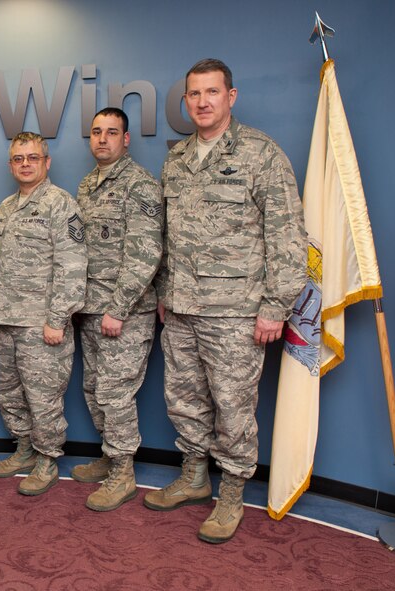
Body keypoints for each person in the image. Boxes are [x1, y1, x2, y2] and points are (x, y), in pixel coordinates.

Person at [145, 59, 306, 543]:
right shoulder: (176, 159)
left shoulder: (262, 154)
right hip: (181, 309)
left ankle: (231, 493)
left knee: (233, 407)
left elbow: (288, 236)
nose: (202, 101)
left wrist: (276, 305)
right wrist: (163, 293)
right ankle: (195, 478)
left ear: (230, 97)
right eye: (193, 94)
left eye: (211, 92)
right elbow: (166, 236)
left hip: (237, 311)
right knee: (185, 400)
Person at [0, 131, 87, 496]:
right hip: (8, 320)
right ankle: (24, 448)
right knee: (8, 393)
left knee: (43, 398)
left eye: (32, 157)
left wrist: (57, 318)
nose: (25, 164)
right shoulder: (6, 208)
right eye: (18, 158)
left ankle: (46, 459)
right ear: (10, 164)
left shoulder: (62, 204)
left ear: (47, 162)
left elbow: (72, 266)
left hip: (42, 324)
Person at [71, 108, 163, 511]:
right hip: (90, 308)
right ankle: (109, 456)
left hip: (123, 313)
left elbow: (146, 253)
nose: (102, 139)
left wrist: (119, 308)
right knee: (94, 389)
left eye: (112, 132)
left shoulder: (139, 184)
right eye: (96, 132)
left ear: (126, 139)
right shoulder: (88, 185)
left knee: (115, 392)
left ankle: (123, 472)